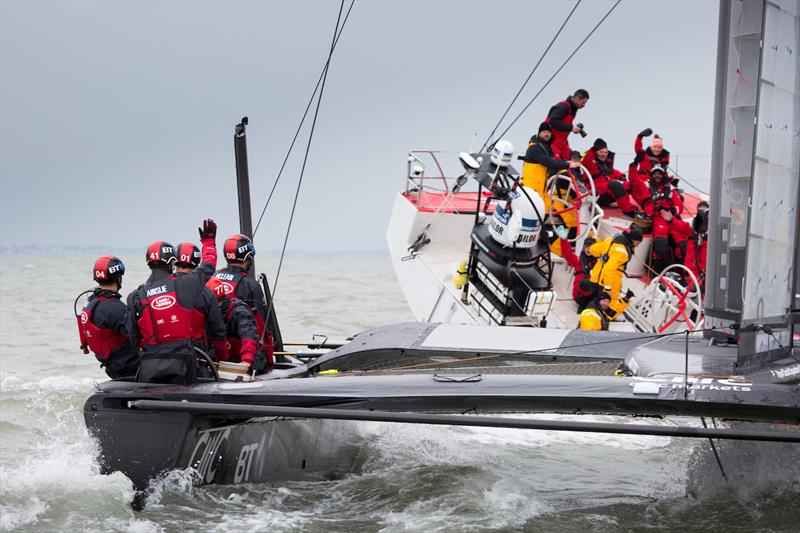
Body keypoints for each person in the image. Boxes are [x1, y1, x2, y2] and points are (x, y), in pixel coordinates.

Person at [127, 240, 228, 384]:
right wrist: (209, 243)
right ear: (171, 263)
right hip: (183, 361)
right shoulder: (184, 285)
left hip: (150, 364)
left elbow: (133, 336)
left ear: (148, 263)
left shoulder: (135, 296)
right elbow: (208, 267)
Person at [214, 234, 275, 371]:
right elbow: (262, 326)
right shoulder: (250, 284)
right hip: (242, 353)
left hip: (216, 353)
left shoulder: (213, 277)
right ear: (247, 256)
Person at [77, 256, 139, 379]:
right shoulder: (115, 308)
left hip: (112, 365)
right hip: (129, 367)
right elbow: (138, 337)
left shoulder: (91, 302)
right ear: (119, 278)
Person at [206, 277, 270, 374]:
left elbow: (249, 336)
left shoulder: (240, 313)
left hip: (248, 364)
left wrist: (246, 362)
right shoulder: (205, 311)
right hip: (221, 362)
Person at [630, 165, 684, 274]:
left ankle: (680, 273)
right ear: (651, 175)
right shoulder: (646, 187)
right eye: (655, 174)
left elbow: (679, 206)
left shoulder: (671, 190)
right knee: (661, 245)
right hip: (657, 219)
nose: (657, 176)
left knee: (683, 245)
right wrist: (633, 165)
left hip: (671, 218)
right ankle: (657, 273)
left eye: (659, 173)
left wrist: (671, 211)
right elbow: (634, 182)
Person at [521, 122, 582, 213]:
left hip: (542, 188)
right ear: (539, 133)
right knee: (537, 211)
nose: (547, 134)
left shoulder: (546, 147)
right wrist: (568, 165)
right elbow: (548, 162)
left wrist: (565, 162)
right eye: (544, 132)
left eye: (548, 132)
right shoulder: (534, 147)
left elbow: (553, 161)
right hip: (532, 189)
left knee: (545, 211)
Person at [587, 227, 641, 317]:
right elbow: (610, 269)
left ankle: (593, 313)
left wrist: (593, 251)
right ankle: (603, 319)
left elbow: (593, 250)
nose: (638, 245)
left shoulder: (610, 240)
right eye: (638, 243)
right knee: (610, 306)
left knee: (595, 299)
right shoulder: (622, 252)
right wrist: (608, 288)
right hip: (609, 281)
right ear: (632, 240)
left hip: (596, 277)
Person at [582, 138, 639, 217]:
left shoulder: (606, 165)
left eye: (605, 152)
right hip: (597, 193)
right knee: (615, 185)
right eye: (601, 152)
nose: (603, 154)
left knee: (633, 184)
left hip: (608, 189)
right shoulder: (590, 163)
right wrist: (594, 148)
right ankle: (628, 211)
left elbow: (612, 171)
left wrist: (621, 176)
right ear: (596, 152)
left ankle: (641, 206)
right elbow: (586, 160)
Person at [544, 89, 590, 160]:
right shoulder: (563, 106)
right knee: (560, 167)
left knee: (574, 161)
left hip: (562, 144)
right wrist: (571, 127)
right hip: (551, 143)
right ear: (577, 99)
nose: (583, 105)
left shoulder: (572, 109)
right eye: (583, 102)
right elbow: (552, 121)